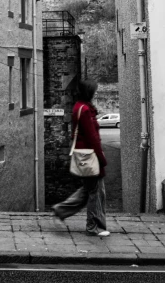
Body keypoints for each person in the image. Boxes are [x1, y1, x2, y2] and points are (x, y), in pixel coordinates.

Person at [51, 79, 109, 237]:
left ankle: (60, 210)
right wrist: (101, 158)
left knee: (88, 190)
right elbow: (92, 137)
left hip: (84, 155)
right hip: (90, 156)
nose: (95, 93)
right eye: (94, 91)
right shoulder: (85, 110)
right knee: (96, 193)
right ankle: (93, 227)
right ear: (89, 92)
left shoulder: (78, 107)